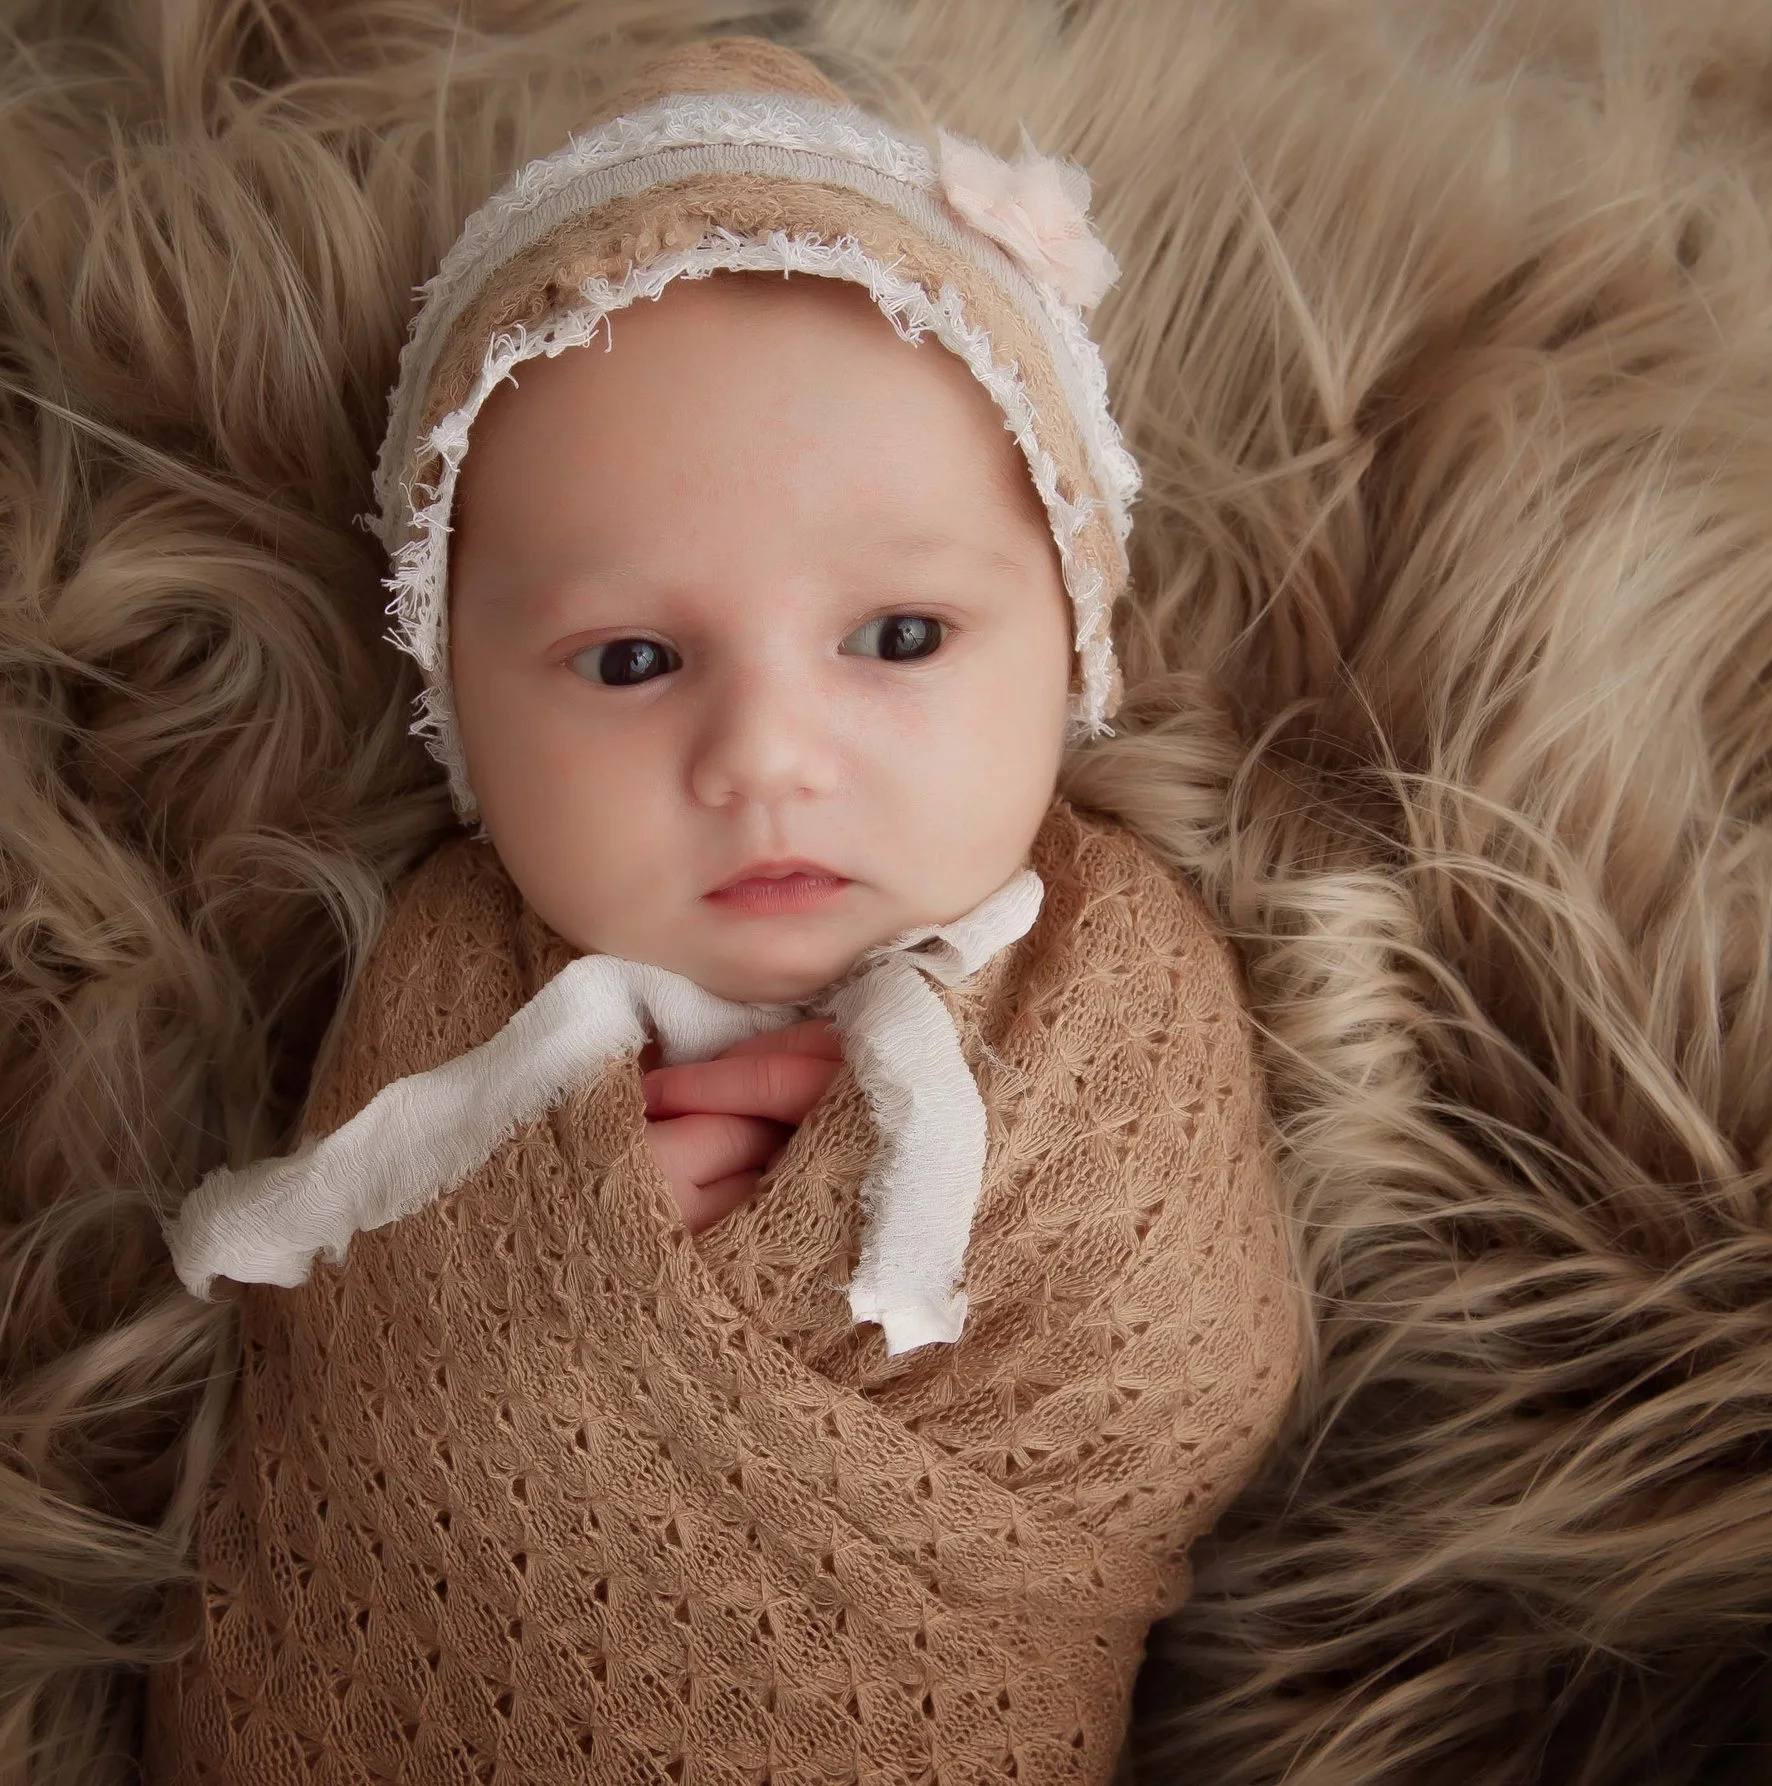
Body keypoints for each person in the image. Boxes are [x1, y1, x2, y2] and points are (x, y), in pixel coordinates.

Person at [150, 36, 1302, 1784]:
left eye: (899, 637)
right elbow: (349, 1389)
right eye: (630, 659)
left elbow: (1212, 1360)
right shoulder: (454, 982)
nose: (764, 757)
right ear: (461, 709)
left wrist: (881, 1246)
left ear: (1069, 636)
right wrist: (566, 1293)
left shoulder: (1115, 973)